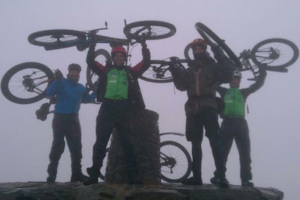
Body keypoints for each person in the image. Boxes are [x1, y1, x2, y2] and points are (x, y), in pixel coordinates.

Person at [83, 40, 151, 185]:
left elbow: (145, 63)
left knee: (127, 143)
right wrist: (92, 44)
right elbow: (90, 61)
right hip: (107, 109)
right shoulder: (106, 70)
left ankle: (134, 177)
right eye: (116, 56)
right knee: (100, 143)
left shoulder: (130, 72)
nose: (119, 58)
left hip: (123, 109)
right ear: (113, 58)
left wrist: (144, 46)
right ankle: (94, 175)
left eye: (121, 56)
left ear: (124, 59)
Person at [169, 38, 235, 187]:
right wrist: (173, 69)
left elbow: (227, 75)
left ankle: (221, 176)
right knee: (195, 143)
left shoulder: (213, 66)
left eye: (200, 48)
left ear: (205, 50)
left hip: (209, 105)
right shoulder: (190, 69)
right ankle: (196, 177)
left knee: (214, 141)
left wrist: (220, 54)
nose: (197, 51)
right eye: (195, 49)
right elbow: (181, 86)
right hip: (192, 108)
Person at [46, 63, 96, 183]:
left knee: (76, 148)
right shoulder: (62, 81)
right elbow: (48, 93)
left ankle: (76, 175)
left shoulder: (81, 88)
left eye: (77, 72)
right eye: (73, 71)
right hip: (60, 117)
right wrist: (57, 80)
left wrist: (96, 89)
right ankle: (51, 176)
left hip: (73, 118)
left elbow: (89, 99)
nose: (75, 73)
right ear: (69, 72)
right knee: (58, 146)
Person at [217, 68, 266, 187]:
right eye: (233, 78)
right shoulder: (224, 91)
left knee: (245, 153)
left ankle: (246, 179)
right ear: (229, 80)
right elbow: (213, 83)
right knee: (222, 152)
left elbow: (257, 85)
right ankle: (220, 176)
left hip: (241, 124)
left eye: (237, 79)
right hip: (227, 123)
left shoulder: (244, 92)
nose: (235, 81)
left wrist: (262, 72)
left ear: (239, 81)